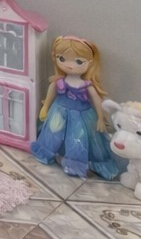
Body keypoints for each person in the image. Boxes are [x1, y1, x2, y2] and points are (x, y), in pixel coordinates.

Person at [31, 35, 122, 179]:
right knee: (53, 134)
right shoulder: (60, 81)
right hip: (59, 111)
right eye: (62, 58)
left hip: (80, 115)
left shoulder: (86, 85)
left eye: (78, 61)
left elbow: (97, 100)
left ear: (90, 63)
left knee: (77, 139)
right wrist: (45, 106)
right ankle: (49, 153)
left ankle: (74, 165)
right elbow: (51, 91)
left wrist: (100, 118)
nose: (69, 65)